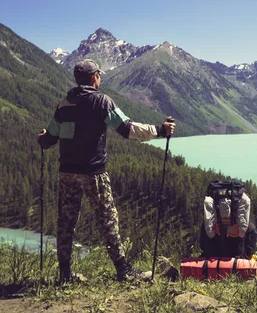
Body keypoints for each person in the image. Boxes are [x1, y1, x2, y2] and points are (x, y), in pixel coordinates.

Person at [36, 59, 175, 283]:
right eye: (98, 75)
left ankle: (64, 274)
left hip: (68, 173)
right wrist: (160, 130)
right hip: (94, 173)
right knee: (107, 220)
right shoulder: (102, 102)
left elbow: (49, 139)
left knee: (66, 221)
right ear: (94, 78)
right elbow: (128, 129)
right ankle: (123, 270)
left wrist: (41, 138)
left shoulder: (64, 105)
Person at [199, 179, 257, 259]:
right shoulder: (245, 224)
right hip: (238, 255)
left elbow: (203, 243)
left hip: (213, 256)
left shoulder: (211, 222)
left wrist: (206, 253)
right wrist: (248, 255)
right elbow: (252, 234)